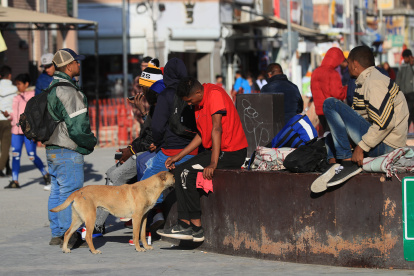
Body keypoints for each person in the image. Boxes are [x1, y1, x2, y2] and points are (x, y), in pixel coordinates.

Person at [157, 76, 248, 242]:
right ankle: (185, 226)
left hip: (232, 151)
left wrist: (213, 163)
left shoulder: (214, 95)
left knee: (186, 173)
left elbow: (217, 129)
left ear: (199, 92)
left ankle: (195, 228)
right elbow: (202, 135)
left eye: (190, 100)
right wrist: (178, 156)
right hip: (216, 150)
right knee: (179, 171)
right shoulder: (199, 103)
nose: (190, 104)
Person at [311, 46, 408, 193]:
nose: (346, 67)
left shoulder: (375, 82)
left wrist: (361, 147)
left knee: (330, 103)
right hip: (381, 140)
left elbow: (384, 124)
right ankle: (333, 165)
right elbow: (358, 118)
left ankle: (346, 162)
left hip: (388, 145)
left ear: (355, 64)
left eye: (348, 63)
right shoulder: (364, 81)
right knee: (332, 135)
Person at [93, 79, 164, 236]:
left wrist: (131, 150)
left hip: (155, 154)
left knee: (114, 175)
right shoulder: (155, 106)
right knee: (112, 171)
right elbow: (147, 136)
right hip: (148, 152)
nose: (140, 92)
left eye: (143, 88)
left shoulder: (160, 105)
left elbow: (151, 138)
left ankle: (97, 224)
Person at [45, 48, 97, 247]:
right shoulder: (68, 90)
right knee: (71, 192)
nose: (79, 64)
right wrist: (89, 143)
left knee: (57, 191)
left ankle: (57, 233)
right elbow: (78, 126)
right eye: (76, 61)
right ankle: (70, 234)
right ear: (68, 66)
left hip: (52, 148)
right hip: (67, 147)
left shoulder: (52, 86)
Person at [4, 73, 50, 189]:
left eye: (19, 84)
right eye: (16, 84)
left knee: (31, 155)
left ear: (26, 84)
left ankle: (45, 174)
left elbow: (36, 114)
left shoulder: (33, 96)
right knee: (15, 155)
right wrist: (8, 115)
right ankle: (15, 181)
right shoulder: (16, 97)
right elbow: (14, 114)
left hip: (28, 132)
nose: (17, 86)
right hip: (16, 131)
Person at [311, 47, 348, 134]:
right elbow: (338, 94)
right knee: (333, 135)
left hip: (319, 110)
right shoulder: (332, 73)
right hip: (330, 109)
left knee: (326, 133)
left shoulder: (316, 71)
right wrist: (347, 89)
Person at [0, 65, 17, 178]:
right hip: (7, 119)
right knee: (5, 147)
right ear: (9, 75)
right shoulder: (15, 89)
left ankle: (8, 168)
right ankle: (1, 168)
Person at [396, 49, 414, 128]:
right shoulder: (402, 66)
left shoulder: (412, 65)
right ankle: (406, 127)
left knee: (409, 111)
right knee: (410, 112)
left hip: (411, 92)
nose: (405, 59)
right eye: (404, 58)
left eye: (407, 57)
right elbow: (398, 79)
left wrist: (412, 64)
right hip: (403, 93)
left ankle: (406, 127)